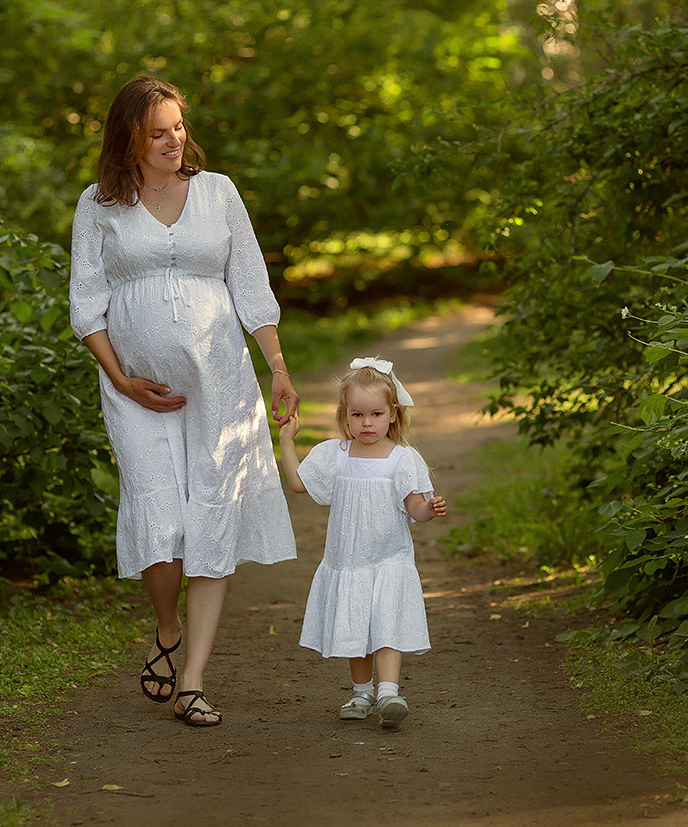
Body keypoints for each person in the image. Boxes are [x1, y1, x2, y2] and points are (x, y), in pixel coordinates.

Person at [69, 76, 298, 727]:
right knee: (161, 525)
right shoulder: (99, 205)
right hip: (137, 393)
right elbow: (86, 304)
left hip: (220, 387)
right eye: (158, 132)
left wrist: (277, 367)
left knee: (211, 523)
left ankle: (193, 677)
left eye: (178, 127)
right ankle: (167, 625)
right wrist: (119, 377)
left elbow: (251, 287)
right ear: (129, 141)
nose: (175, 140)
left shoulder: (218, 192)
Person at [278, 357, 447, 729]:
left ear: (392, 414)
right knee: (355, 627)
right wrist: (286, 441)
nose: (366, 423)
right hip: (349, 560)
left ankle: (389, 693)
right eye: (357, 415)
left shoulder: (402, 460)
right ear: (344, 415)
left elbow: (414, 507)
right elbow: (298, 483)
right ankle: (361, 691)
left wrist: (429, 510)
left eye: (375, 414)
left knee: (386, 622)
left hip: (389, 559)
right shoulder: (335, 457)